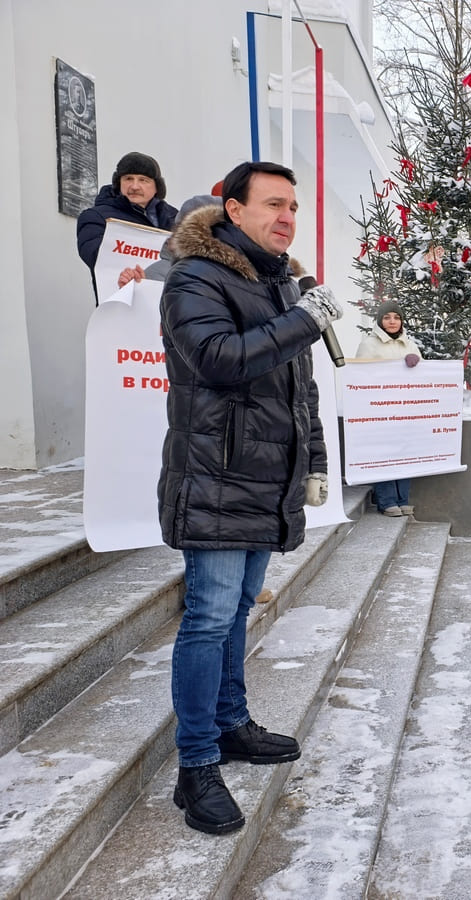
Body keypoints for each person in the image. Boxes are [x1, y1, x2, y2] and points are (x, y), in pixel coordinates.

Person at [158, 161, 339, 834]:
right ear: (233, 211)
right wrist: (303, 321)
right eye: (272, 204)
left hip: (268, 479)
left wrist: (314, 460)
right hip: (216, 477)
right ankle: (196, 765)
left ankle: (231, 723)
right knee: (208, 618)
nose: (287, 217)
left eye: (292, 206)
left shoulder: (281, 284)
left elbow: (299, 391)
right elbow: (219, 358)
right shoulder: (194, 278)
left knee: (236, 610)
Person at [76, 151, 179, 299]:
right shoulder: (96, 217)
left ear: (157, 187)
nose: (135, 186)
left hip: (169, 304)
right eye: (128, 178)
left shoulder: (176, 220)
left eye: (143, 180)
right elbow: (95, 256)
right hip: (119, 301)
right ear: (119, 183)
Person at [355, 301, 422, 516]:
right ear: (379, 321)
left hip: (405, 409)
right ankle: (386, 500)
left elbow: (423, 376)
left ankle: (403, 499)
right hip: (380, 410)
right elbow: (360, 376)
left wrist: (417, 363)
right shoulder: (369, 345)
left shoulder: (409, 345)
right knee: (384, 453)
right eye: (387, 317)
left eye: (396, 317)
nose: (392, 321)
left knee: (404, 453)